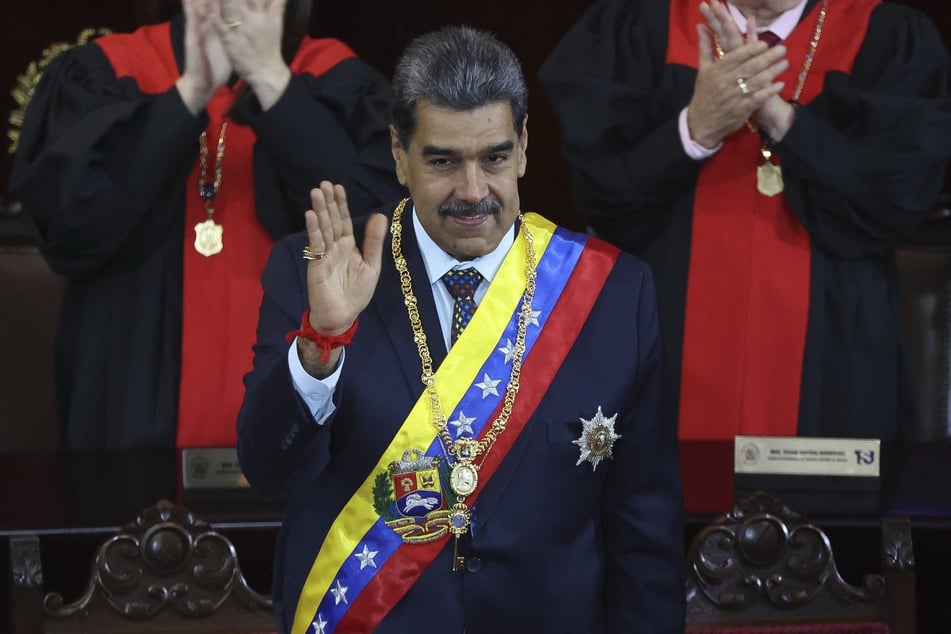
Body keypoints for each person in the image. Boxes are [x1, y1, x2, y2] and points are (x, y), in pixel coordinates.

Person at [237, 25, 684, 633]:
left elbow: (644, 527)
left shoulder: (614, 294)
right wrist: (323, 341)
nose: (473, 192)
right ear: (399, 153)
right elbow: (267, 469)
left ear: (525, 146)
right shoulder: (317, 272)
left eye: (494, 158)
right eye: (443, 161)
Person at [540, 0, 951, 441]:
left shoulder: (885, 35)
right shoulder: (639, 27)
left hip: (833, 364)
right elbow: (602, 201)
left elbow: (895, 204)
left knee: (830, 505)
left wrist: (783, 120)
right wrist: (695, 130)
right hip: (665, 351)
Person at [9, 0, 404, 449]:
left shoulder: (339, 80)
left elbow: (377, 235)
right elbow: (69, 231)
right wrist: (191, 91)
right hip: (133, 398)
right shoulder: (104, 72)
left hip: (304, 412)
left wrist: (272, 82)